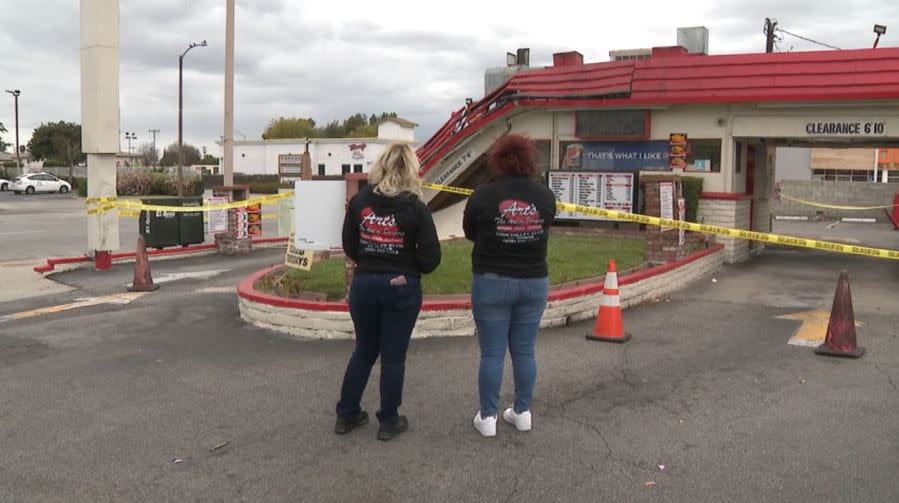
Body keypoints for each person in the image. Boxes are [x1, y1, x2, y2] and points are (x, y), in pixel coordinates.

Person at [335, 142, 441, 441]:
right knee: (393, 356)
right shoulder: (415, 206)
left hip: (365, 284)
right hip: (401, 286)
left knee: (364, 350)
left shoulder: (360, 201)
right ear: (411, 170)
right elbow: (431, 258)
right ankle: (389, 420)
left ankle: (347, 413)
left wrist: (371, 258)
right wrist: (409, 264)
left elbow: (349, 245)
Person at [463, 134, 557, 437]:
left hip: (491, 281)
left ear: (497, 161)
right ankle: (522, 411)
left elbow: (469, 232)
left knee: (492, 353)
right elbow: (545, 230)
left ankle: (488, 418)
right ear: (529, 160)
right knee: (525, 350)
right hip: (533, 281)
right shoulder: (545, 196)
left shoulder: (482, 195)